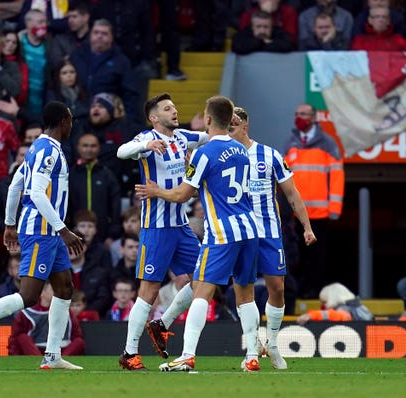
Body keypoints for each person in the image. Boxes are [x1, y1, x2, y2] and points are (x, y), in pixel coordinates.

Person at [0, 101, 85, 370]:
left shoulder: (37, 148)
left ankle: (53, 355)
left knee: (64, 288)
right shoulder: (49, 152)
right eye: (70, 120)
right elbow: (34, 194)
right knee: (29, 295)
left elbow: (15, 185)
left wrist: (10, 224)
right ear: (63, 122)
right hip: (41, 230)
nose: (72, 125)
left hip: (47, 231)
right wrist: (63, 230)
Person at [135, 95, 261, 372]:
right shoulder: (242, 149)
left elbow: (182, 195)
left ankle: (187, 355)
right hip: (250, 228)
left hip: (221, 232)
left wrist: (156, 191)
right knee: (246, 294)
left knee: (202, 291)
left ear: (206, 120)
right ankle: (252, 356)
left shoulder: (205, 153)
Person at [115, 93, 207, 371]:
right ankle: (129, 353)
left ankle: (162, 323)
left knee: (204, 277)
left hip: (181, 226)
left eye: (175, 107)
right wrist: (145, 143)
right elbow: (120, 152)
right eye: (167, 108)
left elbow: (207, 136)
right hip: (156, 228)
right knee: (149, 290)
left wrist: (228, 124)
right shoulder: (145, 140)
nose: (174, 111)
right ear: (154, 118)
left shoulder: (182, 137)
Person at [226, 106, 316, 368]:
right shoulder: (223, 156)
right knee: (244, 290)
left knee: (277, 287)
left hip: (268, 232)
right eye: (226, 125)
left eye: (232, 125)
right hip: (240, 232)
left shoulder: (270, 155)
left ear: (245, 126)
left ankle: (273, 344)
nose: (229, 129)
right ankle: (251, 350)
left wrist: (307, 227)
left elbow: (292, 194)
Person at [283, 104, 344, 299]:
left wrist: (334, 209)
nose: (298, 117)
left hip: (318, 214)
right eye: (296, 113)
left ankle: (313, 291)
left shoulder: (328, 143)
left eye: (303, 114)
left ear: (313, 117)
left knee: (316, 257)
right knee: (295, 255)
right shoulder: (290, 143)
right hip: (294, 214)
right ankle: (297, 291)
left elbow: (336, 177)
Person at [8, 282, 85, 356]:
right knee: (23, 338)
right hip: (37, 350)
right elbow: (15, 338)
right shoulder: (27, 313)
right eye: (53, 289)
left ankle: (59, 361)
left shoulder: (66, 310)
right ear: (42, 292)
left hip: (61, 350)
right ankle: (39, 361)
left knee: (79, 341)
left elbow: (76, 334)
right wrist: (14, 355)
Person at [296, 282, 374, 325]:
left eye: (324, 302)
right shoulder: (360, 307)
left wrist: (311, 315)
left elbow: (340, 315)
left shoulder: (345, 308)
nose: (323, 306)